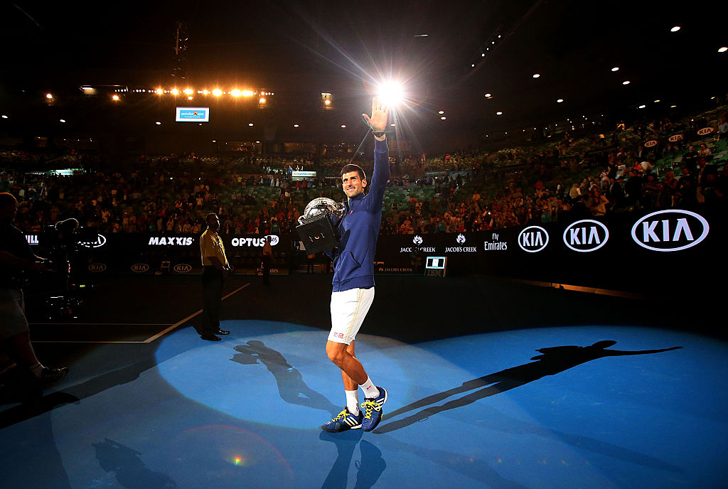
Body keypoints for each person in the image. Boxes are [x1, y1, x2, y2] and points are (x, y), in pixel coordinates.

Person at [321, 98, 390, 433]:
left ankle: (373, 395)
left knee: (333, 351)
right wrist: (323, 247)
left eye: (353, 179)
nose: (349, 183)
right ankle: (352, 413)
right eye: (345, 180)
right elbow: (337, 254)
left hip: (359, 286)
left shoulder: (370, 204)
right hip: (339, 285)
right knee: (347, 349)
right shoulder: (344, 217)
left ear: (363, 183)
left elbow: (383, 172)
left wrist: (379, 137)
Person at [0, 192, 68, 387]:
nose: (14, 213)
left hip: (12, 285)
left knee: (7, 331)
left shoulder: (12, 231)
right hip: (2, 287)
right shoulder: (5, 230)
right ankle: (38, 371)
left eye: (15, 209)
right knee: (20, 329)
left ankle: (4, 364)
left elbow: (30, 258)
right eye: (10, 209)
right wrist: (30, 265)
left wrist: (47, 264)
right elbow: (4, 256)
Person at [197, 213, 232, 341]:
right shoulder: (206, 236)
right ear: (207, 222)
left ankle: (215, 327)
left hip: (218, 272)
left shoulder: (216, 236)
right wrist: (223, 268)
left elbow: (221, 254)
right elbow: (211, 256)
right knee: (209, 303)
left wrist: (227, 266)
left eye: (216, 219)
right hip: (211, 272)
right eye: (212, 219)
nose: (215, 221)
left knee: (216, 303)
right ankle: (207, 332)